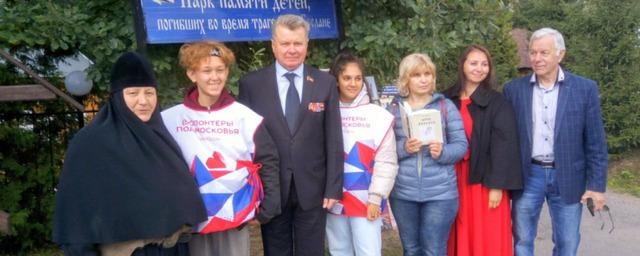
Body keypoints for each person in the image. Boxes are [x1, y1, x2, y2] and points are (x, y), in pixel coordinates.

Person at [53, 51, 207, 255]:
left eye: (149, 93)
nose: (143, 101)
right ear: (118, 97)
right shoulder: (90, 143)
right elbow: (76, 224)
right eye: (133, 93)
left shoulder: (161, 139)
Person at [161, 41, 280, 256]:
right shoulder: (169, 119)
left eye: (220, 70)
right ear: (191, 74)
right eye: (206, 70)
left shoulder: (246, 117)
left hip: (235, 217)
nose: (214, 77)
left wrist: (267, 207)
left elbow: (268, 159)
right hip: (192, 219)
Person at [238, 14, 343, 256]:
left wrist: (333, 188)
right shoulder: (251, 84)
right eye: (285, 44)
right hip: (271, 188)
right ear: (273, 45)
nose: (292, 50)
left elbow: (334, 139)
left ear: (307, 44)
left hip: (314, 189)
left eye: (298, 43)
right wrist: (249, 192)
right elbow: (245, 143)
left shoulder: (325, 82)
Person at [503, 27, 608, 256]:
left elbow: (596, 142)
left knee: (567, 244)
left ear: (560, 54)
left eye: (544, 52)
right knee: (522, 240)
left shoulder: (584, 89)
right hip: (528, 175)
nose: (537, 58)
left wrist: (596, 187)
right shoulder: (513, 90)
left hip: (569, 176)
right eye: (533, 52)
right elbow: (505, 139)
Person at [443, 45, 523, 256]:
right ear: (463, 65)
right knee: (454, 230)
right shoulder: (446, 99)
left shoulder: (497, 102)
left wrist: (497, 185)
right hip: (451, 179)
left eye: (484, 64)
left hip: (484, 181)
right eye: (474, 63)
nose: (479, 68)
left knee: (487, 236)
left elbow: (504, 145)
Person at [387, 53, 467, 256]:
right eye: (416, 75)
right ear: (406, 78)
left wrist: (442, 152)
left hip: (440, 193)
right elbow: (383, 151)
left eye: (427, 74)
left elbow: (461, 146)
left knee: (434, 250)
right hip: (403, 192)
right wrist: (404, 148)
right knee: (411, 250)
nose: (423, 79)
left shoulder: (445, 106)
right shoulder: (394, 109)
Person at [325, 52, 398, 256]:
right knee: (339, 250)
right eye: (347, 78)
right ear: (336, 80)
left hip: (366, 198)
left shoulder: (378, 116)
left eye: (358, 78)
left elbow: (387, 162)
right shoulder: (324, 112)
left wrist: (376, 197)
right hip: (334, 197)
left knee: (368, 251)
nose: (353, 83)